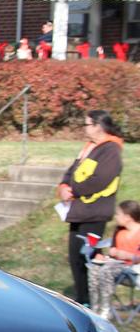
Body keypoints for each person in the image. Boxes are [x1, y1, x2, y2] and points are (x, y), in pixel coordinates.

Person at [59, 110, 124, 305]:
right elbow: (72, 170)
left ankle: (90, 300)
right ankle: (81, 298)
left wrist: (74, 190)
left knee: (87, 259)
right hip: (78, 212)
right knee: (75, 258)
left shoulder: (111, 150)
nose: (84, 128)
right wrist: (63, 187)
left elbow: (101, 179)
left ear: (98, 126)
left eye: (87, 124)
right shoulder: (89, 147)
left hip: (94, 213)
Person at [87, 200, 140, 319]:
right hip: (118, 269)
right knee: (94, 268)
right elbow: (114, 254)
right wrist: (106, 257)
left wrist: (127, 255)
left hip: (135, 272)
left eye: (118, 214)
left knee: (106, 271)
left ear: (128, 217)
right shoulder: (120, 232)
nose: (115, 217)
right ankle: (95, 307)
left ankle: (106, 310)